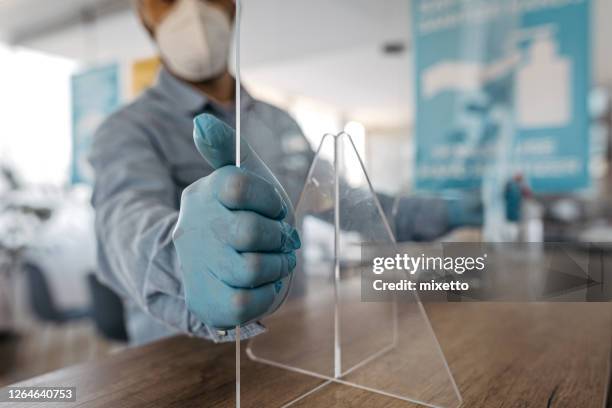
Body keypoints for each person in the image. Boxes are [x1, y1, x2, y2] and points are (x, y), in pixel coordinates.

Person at [90, 0, 507, 345]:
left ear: (233, 7)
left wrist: (449, 212)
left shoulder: (280, 122)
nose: (192, 11)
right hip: (176, 361)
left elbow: (343, 202)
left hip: (289, 344)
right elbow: (123, 218)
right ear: (144, 14)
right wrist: (178, 259)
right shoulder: (126, 130)